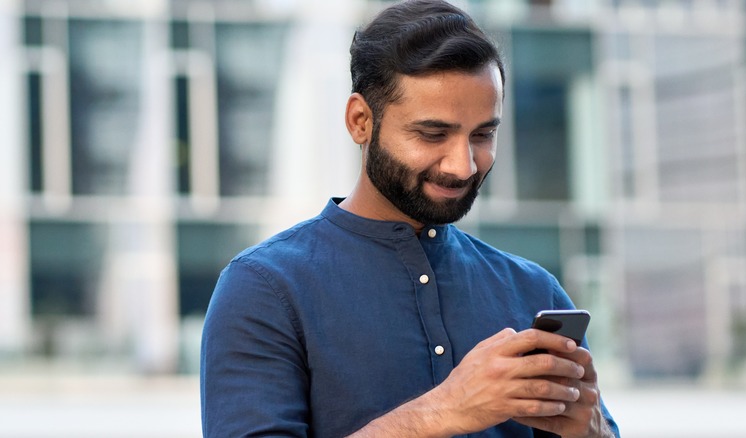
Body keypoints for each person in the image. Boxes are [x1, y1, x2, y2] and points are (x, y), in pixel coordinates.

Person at [200, 1, 620, 437]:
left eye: (482, 135)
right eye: (432, 134)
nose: (463, 166)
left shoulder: (533, 289)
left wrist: (591, 432)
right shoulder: (264, 289)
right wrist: (445, 410)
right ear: (361, 121)